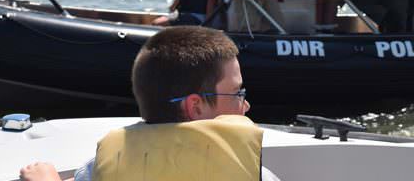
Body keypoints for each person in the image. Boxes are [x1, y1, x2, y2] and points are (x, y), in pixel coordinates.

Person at [20, 26, 280, 181]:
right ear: (195, 107)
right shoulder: (254, 174)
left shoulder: (103, 167)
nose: (245, 105)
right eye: (237, 93)